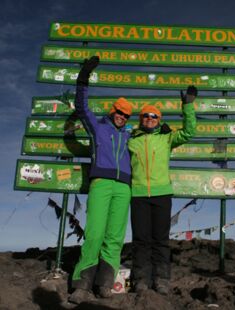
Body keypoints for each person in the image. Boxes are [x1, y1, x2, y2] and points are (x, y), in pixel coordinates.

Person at [69, 56, 133, 304]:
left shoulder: (129, 135)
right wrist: (84, 76)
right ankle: (82, 284)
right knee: (94, 234)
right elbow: (81, 106)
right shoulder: (98, 127)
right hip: (101, 184)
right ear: (112, 111)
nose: (122, 117)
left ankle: (104, 284)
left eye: (126, 115)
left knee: (115, 237)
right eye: (119, 112)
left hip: (124, 187)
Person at [128, 85, 197, 295]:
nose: (150, 118)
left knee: (160, 239)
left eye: (154, 116)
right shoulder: (131, 139)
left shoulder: (167, 138)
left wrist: (188, 106)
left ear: (159, 119)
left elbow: (189, 132)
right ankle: (140, 280)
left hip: (162, 194)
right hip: (138, 195)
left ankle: (162, 279)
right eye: (146, 116)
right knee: (141, 240)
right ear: (141, 119)